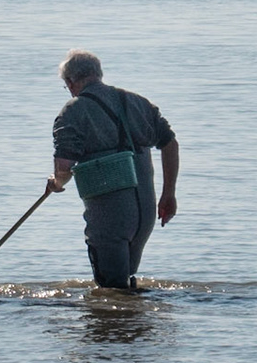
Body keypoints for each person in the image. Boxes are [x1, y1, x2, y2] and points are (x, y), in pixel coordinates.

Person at [45, 49, 179, 289]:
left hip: (110, 216)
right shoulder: (139, 102)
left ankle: (114, 326)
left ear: (70, 82)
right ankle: (131, 326)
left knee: (111, 289)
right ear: (98, 74)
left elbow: (64, 168)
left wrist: (55, 184)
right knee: (125, 285)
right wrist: (168, 194)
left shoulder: (73, 111)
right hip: (145, 212)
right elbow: (170, 144)